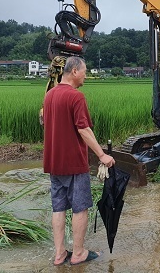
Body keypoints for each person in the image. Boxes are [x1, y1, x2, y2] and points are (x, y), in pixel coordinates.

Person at [42, 56, 115, 266]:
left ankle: (59, 254)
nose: (86, 75)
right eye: (84, 71)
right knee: (80, 207)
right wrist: (102, 155)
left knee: (58, 208)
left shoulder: (49, 96)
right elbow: (84, 129)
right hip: (74, 162)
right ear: (74, 71)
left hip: (54, 163)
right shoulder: (76, 97)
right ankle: (79, 253)